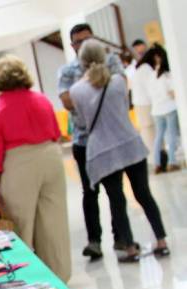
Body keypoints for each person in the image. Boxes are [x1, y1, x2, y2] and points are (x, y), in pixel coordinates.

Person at [71, 40, 169, 260]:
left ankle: (130, 248)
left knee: (117, 200)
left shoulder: (76, 91)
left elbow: (82, 122)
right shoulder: (118, 81)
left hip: (102, 151)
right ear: (105, 57)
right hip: (129, 143)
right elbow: (124, 108)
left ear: (82, 62)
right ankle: (161, 240)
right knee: (144, 195)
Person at [0, 55, 71, 282]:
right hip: (51, 157)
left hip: (19, 162)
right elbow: (56, 132)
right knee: (54, 223)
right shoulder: (42, 100)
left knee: (20, 225)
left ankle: (25, 278)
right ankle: (59, 277)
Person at [58, 22, 125, 260]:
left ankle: (122, 238)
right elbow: (66, 101)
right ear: (72, 45)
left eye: (88, 39)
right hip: (84, 141)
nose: (84, 44)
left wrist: (86, 96)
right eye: (79, 41)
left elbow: (121, 90)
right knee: (90, 192)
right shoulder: (67, 70)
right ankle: (94, 241)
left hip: (111, 139)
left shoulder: (111, 61)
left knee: (116, 192)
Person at [141, 44, 181, 173]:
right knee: (171, 135)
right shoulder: (166, 75)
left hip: (156, 109)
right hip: (169, 108)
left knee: (159, 136)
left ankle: (157, 163)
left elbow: (149, 94)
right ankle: (172, 162)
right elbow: (172, 92)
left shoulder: (151, 75)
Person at [130, 39, 158, 158]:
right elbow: (151, 87)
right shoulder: (144, 67)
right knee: (148, 129)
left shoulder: (143, 67)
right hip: (144, 103)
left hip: (142, 102)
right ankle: (154, 156)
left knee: (150, 129)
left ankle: (155, 156)